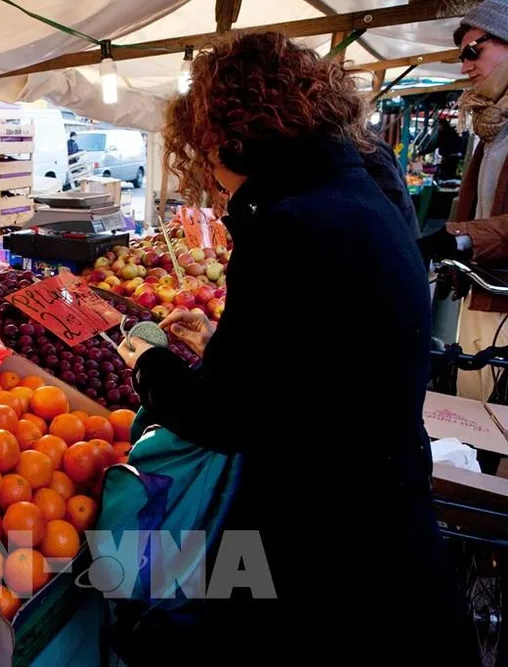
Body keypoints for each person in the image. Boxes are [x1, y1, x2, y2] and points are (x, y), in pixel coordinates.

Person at [118, 32, 478, 665]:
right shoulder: (365, 183)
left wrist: (148, 363)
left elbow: (225, 416)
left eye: (204, 153)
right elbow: (322, 348)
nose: (207, 172)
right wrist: (228, 343)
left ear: (226, 136)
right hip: (388, 509)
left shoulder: (285, 221)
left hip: (323, 541)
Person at [419, 0, 508, 400]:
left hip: (501, 293)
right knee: (475, 411)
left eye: (475, 50)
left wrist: (461, 237)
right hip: (486, 289)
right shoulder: (491, 124)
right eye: (461, 55)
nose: (465, 65)